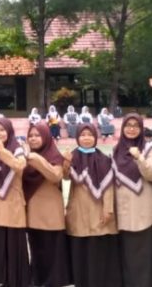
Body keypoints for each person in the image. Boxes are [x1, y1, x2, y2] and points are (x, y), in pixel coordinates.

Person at [65, 123, 120, 287]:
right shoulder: (72, 156)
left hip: (98, 209)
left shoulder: (103, 159)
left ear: (95, 137)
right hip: (78, 209)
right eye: (83, 135)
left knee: (98, 247)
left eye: (90, 135)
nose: (86, 138)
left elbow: (109, 187)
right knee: (81, 246)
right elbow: (65, 177)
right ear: (77, 138)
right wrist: (66, 163)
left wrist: (108, 209)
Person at [112, 114, 152, 287]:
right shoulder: (116, 150)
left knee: (144, 253)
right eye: (128, 125)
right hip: (123, 209)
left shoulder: (149, 149)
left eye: (136, 126)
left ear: (141, 129)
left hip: (143, 208)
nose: (131, 128)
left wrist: (139, 157)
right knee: (127, 254)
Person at [23, 122, 72, 287]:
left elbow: (55, 176)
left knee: (52, 247)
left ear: (45, 137)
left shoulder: (54, 155)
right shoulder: (24, 156)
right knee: (36, 248)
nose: (33, 139)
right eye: (30, 136)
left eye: (37, 135)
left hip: (50, 212)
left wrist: (36, 159)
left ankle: (54, 280)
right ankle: (38, 280)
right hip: (32, 210)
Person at [0, 117, 29, 287]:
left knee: (13, 240)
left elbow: (19, 166)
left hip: (13, 201)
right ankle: (0, 277)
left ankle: (16, 278)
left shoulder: (17, 148)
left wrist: (2, 151)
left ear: (9, 131)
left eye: (2, 130)